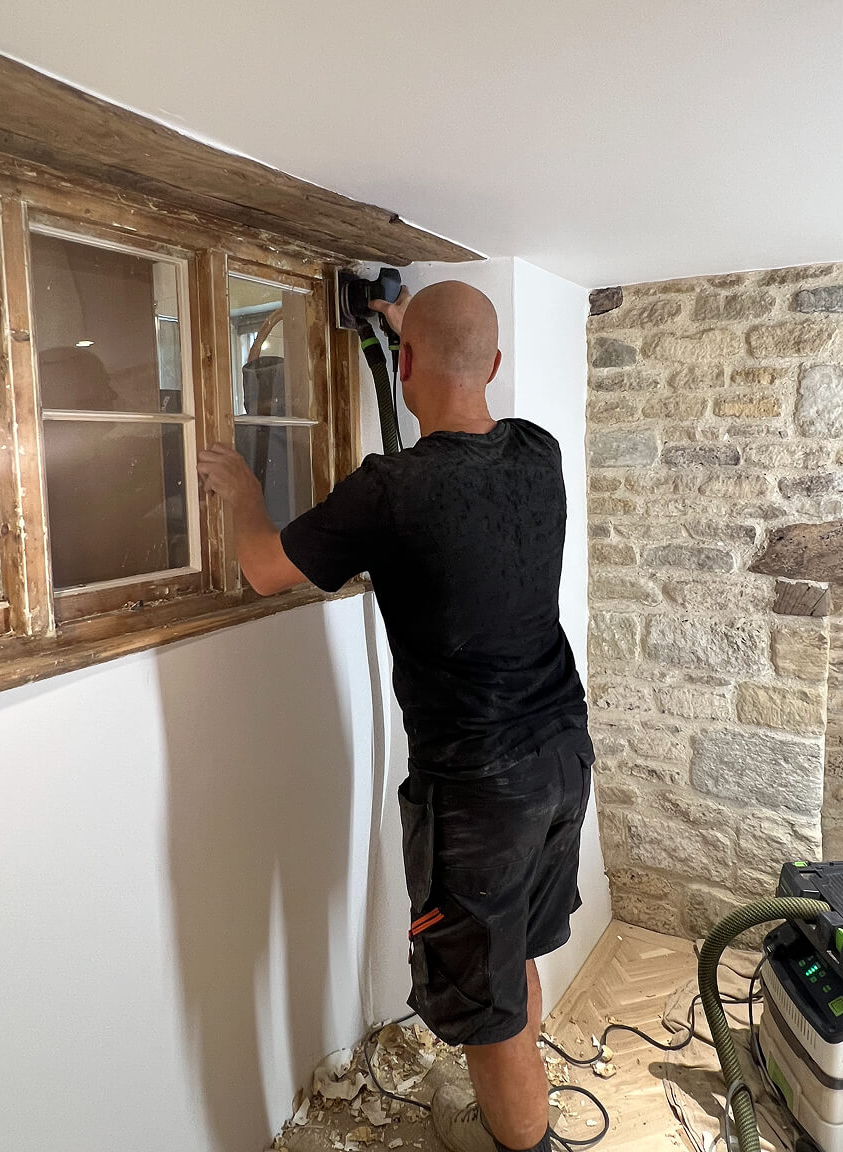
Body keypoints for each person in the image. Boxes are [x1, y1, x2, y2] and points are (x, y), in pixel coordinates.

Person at [197, 281, 594, 1152]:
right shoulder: (540, 452)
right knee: (514, 952)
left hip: (479, 791)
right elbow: (456, 404)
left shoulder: (393, 490)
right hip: (562, 755)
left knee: (484, 1010)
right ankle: (518, 1116)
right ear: (494, 365)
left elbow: (266, 568)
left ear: (405, 364)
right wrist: (407, 324)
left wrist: (238, 488)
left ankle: (523, 1144)